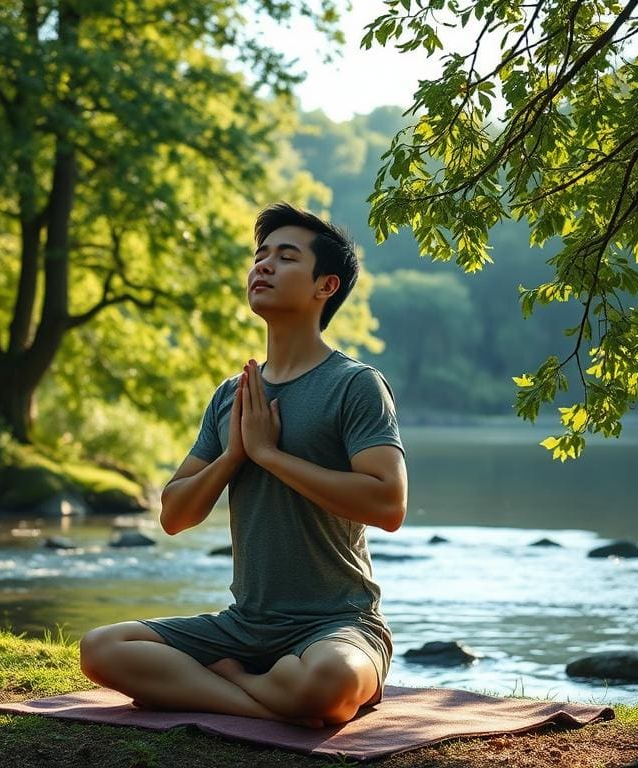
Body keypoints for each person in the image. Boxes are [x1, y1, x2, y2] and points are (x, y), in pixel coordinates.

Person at [79, 202, 408, 728]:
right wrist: (234, 455)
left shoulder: (356, 385)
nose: (263, 266)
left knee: (328, 683)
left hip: (339, 624)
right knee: (102, 648)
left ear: (326, 286)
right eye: (260, 255)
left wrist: (271, 456)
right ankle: (258, 691)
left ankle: (231, 682)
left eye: (285, 256)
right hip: (245, 627)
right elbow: (174, 516)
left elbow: (388, 505)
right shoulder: (233, 395)